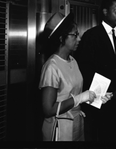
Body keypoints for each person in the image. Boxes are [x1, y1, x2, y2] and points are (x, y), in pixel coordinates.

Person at [38, 12, 111, 141]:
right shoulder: (52, 66)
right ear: (61, 38)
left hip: (76, 122)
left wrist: (94, 97)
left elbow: (74, 94)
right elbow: (48, 110)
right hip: (60, 128)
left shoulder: (73, 60)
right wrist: (80, 98)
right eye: (74, 35)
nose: (79, 39)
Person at [75, 0, 116, 142]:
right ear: (105, 12)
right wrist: (111, 90)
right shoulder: (91, 36)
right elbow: (86, 70)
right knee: (106, 137)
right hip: (105, 97)